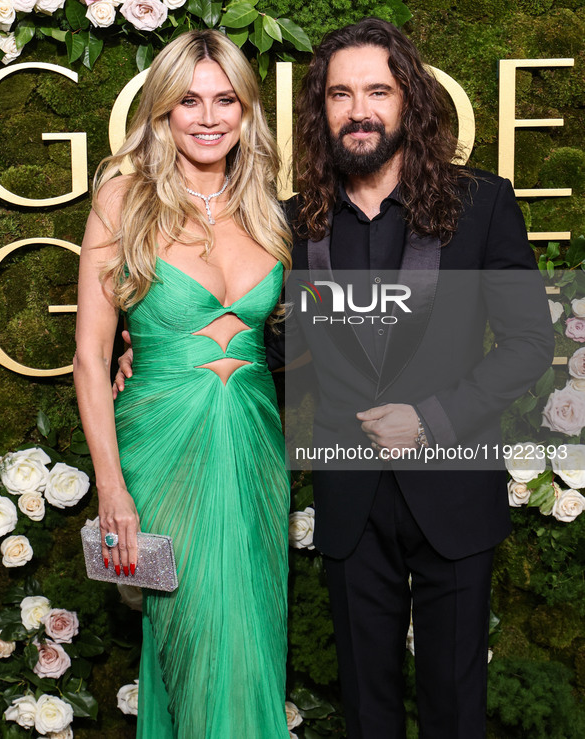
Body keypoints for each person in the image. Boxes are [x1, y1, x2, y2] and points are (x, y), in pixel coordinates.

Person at [114, 18, 555, 739]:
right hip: (350, 499)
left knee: (453, 702)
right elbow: (242, 325)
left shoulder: (482, 204)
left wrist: (432, 417)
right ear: (319, 110)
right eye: (340, 94)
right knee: (366, 708)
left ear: (408, 100)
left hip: (452, 486)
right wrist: (142, 355)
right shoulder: (291, 222)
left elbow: (529, 342)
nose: (360, 109)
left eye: (377, 91)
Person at [73, 30, 292, 739]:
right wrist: (112, 488)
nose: (207, 117)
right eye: (188, 100)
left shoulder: (265, 203)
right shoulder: (124, 196)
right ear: (162, 110)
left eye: (225, 99)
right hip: (162, 448)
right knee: (198, 643)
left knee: (252, 643)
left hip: (255, 446)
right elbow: (89, 356)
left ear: (246, 109)